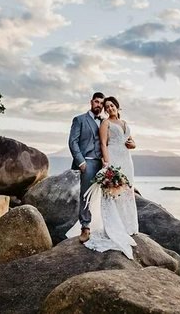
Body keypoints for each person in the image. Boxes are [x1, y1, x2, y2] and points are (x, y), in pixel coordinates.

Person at [81, 95, 138, 259]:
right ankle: (113, 227)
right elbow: (103, 144)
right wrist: (107, 163)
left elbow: (131, 141)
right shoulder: (106, 123)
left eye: (112, 106)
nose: (110, 108)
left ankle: (128, 226)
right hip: (114, 158)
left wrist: (133, 144)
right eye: (107, 107)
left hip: (127, 160)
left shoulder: (125, 123)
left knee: (127, 192)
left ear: (117, 107)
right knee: (112, 193)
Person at [68, 92, 105, 243]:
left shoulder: (105, 122)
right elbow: (73, 142)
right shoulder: (80, 119)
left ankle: (108, 225)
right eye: (97, 102)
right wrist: (81, 162)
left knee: (107, 194)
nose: (99, 105)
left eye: (102, 104)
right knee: (86, 195)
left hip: (103, 163)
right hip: (88, 161)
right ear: (91, 102)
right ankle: (85, 227)